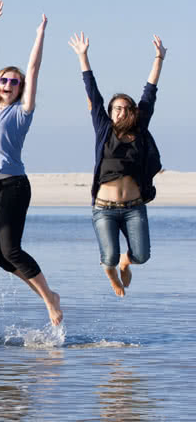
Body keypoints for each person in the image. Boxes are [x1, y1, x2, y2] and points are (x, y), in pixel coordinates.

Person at [0, 3, 61, 325]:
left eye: (13, 82)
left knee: (12, 250)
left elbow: (34, 68)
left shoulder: (23, 111)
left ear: (20, 88)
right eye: (3, 81)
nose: (7, 84)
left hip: (13, 185)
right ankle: (46, 295)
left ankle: (50, 300)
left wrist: (39, 34)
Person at [69, 32, 165, 297]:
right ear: (110, 113)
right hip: (104, 208)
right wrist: (82, 56)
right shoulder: (103, 130)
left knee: (142, 256)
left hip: (134, 207)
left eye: (125, 108)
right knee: (107, 257)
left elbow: (150, 92)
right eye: (116, 109)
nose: (120, 112)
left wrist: (159, 58)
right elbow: (93, 92)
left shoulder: (139, 128)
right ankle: (112, 274)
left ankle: (126, 262)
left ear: (132, 111)